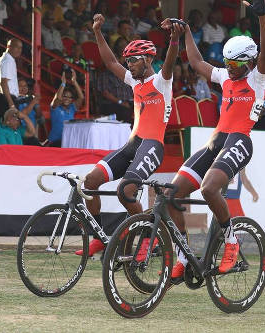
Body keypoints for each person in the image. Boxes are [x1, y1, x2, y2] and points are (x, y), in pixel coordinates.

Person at [165, 0, 265, 280]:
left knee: (209, 189)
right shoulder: (225, 75)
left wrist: (261, 17)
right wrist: (187, 31)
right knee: (171, 195)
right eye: (227, 63)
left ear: (248, 61)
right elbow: (197, 62)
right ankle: (182, 255)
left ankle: (231, 241)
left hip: (239, 140)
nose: (230, 68)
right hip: (216, 141)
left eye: (236, 64)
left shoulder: (257, 79)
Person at [74, 13, 181, 258]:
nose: (129, 65)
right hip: (133, 144)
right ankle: (99, 237)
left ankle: (148, 237)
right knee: (89, 183)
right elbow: (111, 62)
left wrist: (174, 38)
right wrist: (98, 31)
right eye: (128, 61)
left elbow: (170, 62)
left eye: (133, 60)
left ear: (147, 59)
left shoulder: (161, 82)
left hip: (153, 146)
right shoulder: (135, 81)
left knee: (125, 192)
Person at [47, 69, 83, 147]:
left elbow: (81, 98)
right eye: (65, 96)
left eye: (70, 97)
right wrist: (63, 84)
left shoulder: (72, 108)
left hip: (68, 141)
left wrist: (74, 82)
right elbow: (58, 98)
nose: (67, 99)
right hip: (55, 142)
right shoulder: (55, 107)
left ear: (72, 100)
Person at [0, 38, 23, 119]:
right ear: (8, 46)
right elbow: (3, 83)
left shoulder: (8, 59)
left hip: (8, 99)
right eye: (16, 47)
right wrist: (11, 104)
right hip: (7, 100)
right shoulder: (7, 61)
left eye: (20, 48)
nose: (19, 50)